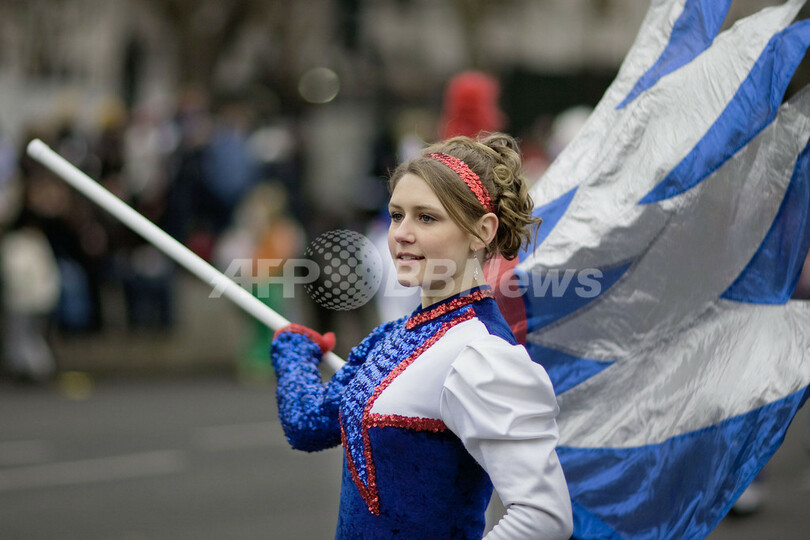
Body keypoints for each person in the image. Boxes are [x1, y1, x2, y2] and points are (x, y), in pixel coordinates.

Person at [271, 133, 573, 539]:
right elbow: (310, 425)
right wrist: (294, 352)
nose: (401, 233)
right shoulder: (393, 336)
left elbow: (544, 517)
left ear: (482, 231)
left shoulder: (482, 354)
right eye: (397, 215)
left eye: (426, 218)